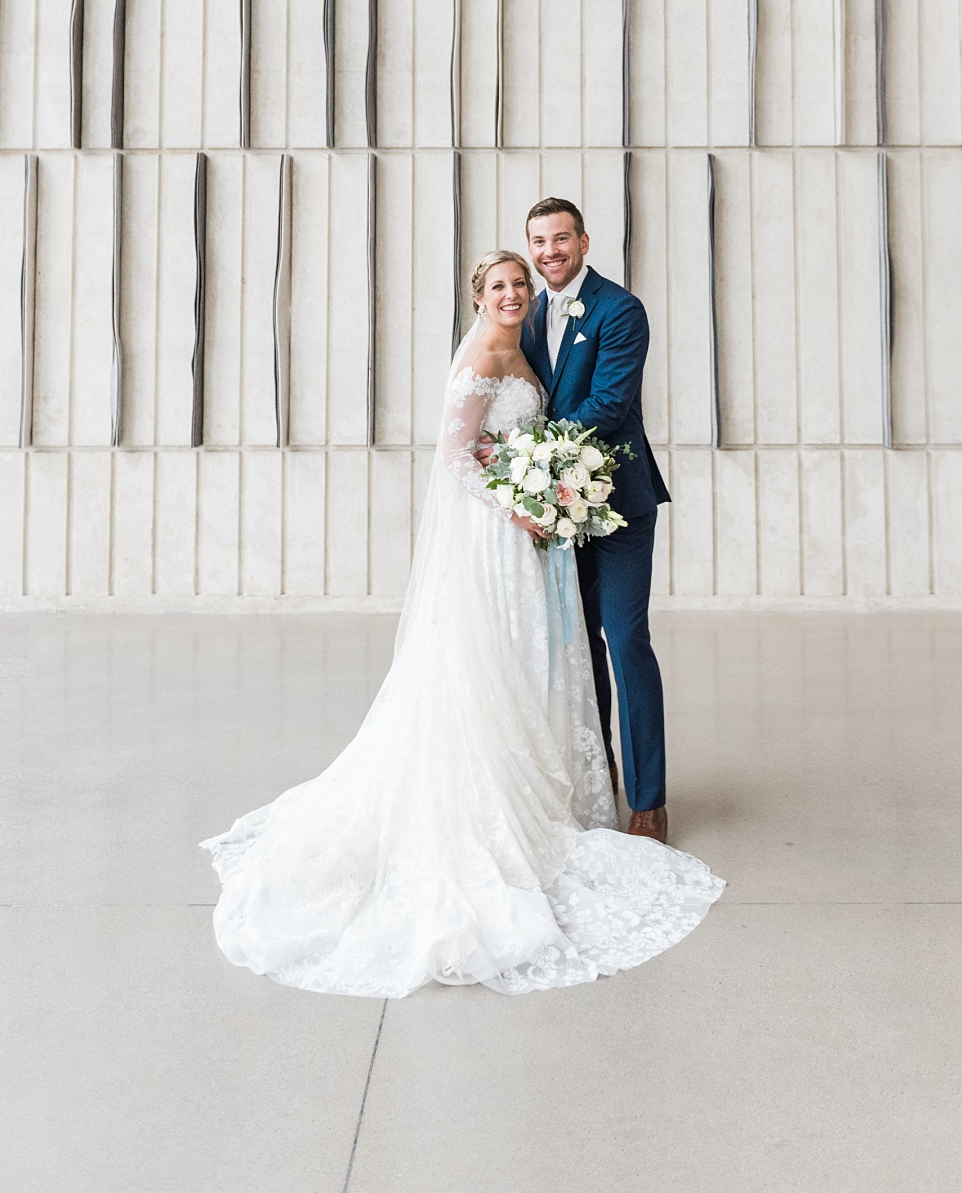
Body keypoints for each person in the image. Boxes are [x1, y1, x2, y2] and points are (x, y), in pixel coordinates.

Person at [201, 250, 722, 997]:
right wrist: (522, 500)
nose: (516, 290)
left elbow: (564, 416)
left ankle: (611, 792)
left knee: (547, 652)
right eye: (502, 283)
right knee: (497, 657)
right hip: (501, 529)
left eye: (522, 279)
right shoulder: (484, 351)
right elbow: (456, 456)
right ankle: (500, 795)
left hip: (538, 526)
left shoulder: (548, 327)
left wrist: (544, 485)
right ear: (478, 296)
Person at [520, 199, 672, 841]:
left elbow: (609, 404)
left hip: (618, 502)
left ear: (584, 241)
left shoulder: (620, 309)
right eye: (539, 241)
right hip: (556, 509)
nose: (550, 251)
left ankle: (649, 797)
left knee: (626, 637)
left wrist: (530, 457)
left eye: (561, 238)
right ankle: (597, 776)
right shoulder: (523, 312)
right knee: (578, 647)